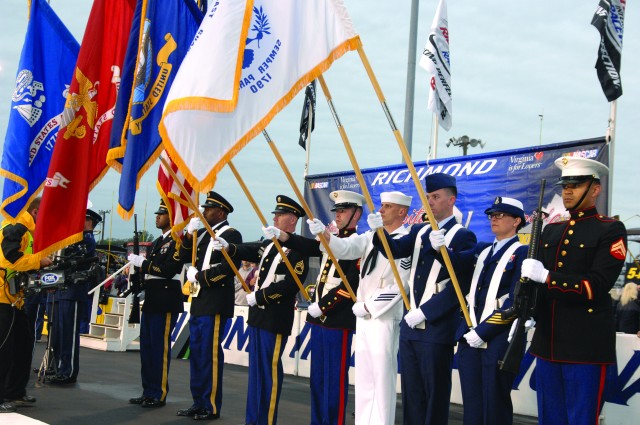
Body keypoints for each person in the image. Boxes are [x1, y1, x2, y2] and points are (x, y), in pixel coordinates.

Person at [520, 157, 627, 424]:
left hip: (585, 346)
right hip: (548, 343)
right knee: (550, 418)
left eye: (576, 185)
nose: (567, 191)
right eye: (565, 185)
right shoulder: (552, 230)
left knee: (581, 419)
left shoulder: (610, 230)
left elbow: (596, 285)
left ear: (595, 189)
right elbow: (536, 287)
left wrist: (547, 277)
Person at [370, 173, 477, 425]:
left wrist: (427, 312)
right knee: (412, 393)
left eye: (436, 197)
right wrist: (379, 231)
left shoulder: (463, 236)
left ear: (451, 200)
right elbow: (393, 251)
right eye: (428, 197)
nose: (430, 202)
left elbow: (459, 285)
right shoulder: (419, 230)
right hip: (411, 325)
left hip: (436, 326)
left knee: (434, 394)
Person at [308, 191, 413, 425]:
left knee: (382, 378)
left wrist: (369, 305)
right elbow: (345, 248)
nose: (381, 210)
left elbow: (400, 284)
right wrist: (324, 236)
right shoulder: (369, 236)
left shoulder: (406, 240)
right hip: (363, 316)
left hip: (383, 316)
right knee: (364, 379)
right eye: (382, 205)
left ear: (402, 212)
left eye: (387, 206)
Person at [264, 189, 362, 425]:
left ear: (356, 214)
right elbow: (308, 246)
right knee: (317, 380)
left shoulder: (357, 243)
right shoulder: (331, 239)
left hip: (337, 321)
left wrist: (323, 306)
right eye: (336, 211)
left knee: (333, 381)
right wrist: (283, 236)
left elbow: (350, 285)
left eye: (343, 210)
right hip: (319, 321)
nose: (338, 215)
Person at [214, 195, 309, 425]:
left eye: (280, 215)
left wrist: (259, 296)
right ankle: (252, 420)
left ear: (293, 220)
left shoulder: (298, 250)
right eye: (275, 215)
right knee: (256, 376)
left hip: (275, 317)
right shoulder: (270, 244)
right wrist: (231, 247)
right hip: (258, 317)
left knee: (268, 376)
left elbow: (291, 284)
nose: (275, 218)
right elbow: (253, 249)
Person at [451, 197, 528, 425]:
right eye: (492, 215)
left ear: (516, 221)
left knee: (494, 404)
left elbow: (516, 302)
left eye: (500, 215)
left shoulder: (523, 252)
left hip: (498, 338)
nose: (494, 219)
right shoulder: (483, 251)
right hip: (470, 334)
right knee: (472, 405)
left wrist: (483, 331)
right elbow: (461, 278)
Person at [175, 191, 242, 420]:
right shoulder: (202, 234)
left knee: (210, 355)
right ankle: (198, 401)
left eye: (208, 209)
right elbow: (183, 256)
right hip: (199, 302)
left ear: (221, 212)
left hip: (214, 302)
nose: (204, 212)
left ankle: (211, 405)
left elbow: (229, 267)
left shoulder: (231, 234)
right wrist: (189, 234)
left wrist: (200, 277)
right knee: (197, 355)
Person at [127, 199, 184, 408]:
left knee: (159, 349)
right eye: (157, 213)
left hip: (166, 298)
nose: (157, 217)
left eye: (162, 213)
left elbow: (169, 270)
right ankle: (147, 390)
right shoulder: (159, 241)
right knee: (148, 348)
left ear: (172, 217)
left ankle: (158, 393)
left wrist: (144, 263)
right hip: (152, 297)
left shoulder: (176, 240)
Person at [0, 197, 53, 413]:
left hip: (16, 299)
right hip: (4, 298)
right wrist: (39, 261)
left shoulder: (28, 231)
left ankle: (15, 392)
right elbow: (11, 259)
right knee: (5, 350)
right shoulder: (16, 227)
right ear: (35, 211)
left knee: (23, 346)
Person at [48, 208, 101, 385]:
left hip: (74, 291)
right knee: (61, 332)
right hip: (65, 290)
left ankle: (68, 371)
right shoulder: (75, 239)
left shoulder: (87, 240)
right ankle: (60, 367)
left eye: (83, 219)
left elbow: (75, 258)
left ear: (89, 223)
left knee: (69, 334)